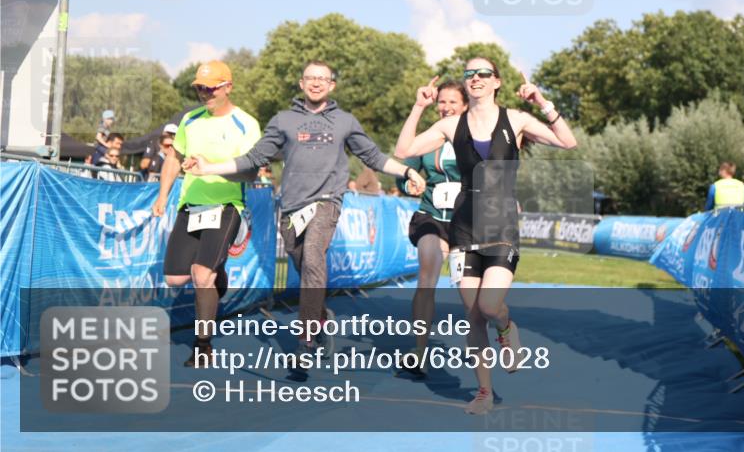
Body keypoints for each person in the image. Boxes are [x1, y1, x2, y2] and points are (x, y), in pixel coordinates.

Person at [184, 60, 426, 377]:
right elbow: (254, 158)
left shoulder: (345, 121)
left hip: (327, 202)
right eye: (310, 77)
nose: (316, 82)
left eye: (322, 78)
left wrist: (407, 171)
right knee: (305, 265)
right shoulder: (283, 120)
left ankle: (305, 340)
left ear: (332, 85)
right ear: (301, 83)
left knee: (313, 255)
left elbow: (374, 156)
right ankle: (321, 317)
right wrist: (208, 168)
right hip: (291, 209)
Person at [394, 57, 577, 414]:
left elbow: (567, 142)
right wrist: (419, 107)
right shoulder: (451, 124)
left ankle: (506, 328)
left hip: (502, 226)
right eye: (469, 74)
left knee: (489, 307)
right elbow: (404, 151)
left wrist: (542, 101)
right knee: (473, 314)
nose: (475, 78)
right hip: (463, 227)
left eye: (483, 74)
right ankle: (484, 392)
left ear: (496, 82)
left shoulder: (517, 119)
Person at [151, 60, 261, 367]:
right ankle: (219, 270)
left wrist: (211, 168)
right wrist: (162, 196)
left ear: (228, 87)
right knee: (175, 278)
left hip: (227, 206)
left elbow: (251, 173)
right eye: (200, 88)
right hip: (191, 205)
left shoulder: (246, 123)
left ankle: (203, 346)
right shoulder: (190, 119)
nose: (205, 93)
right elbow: (173, 159)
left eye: (211, 88)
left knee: (202, 275)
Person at [395, 78, 468, 376]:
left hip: (466, 222)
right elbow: (403, 167)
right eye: (442, 102)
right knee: (427, 276)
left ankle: (478, 340)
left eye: (453, 102)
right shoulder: (429, 137)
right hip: (431, 217)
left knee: (468, 289)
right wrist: (408, 182)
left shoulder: (477, 137)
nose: (446, 107)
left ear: (465, 106)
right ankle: (420, 351)